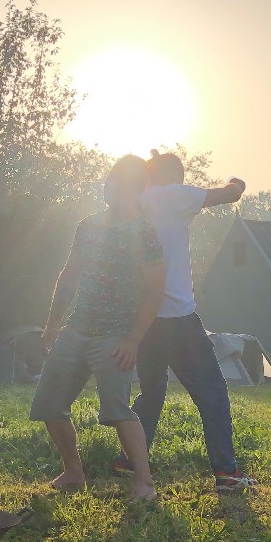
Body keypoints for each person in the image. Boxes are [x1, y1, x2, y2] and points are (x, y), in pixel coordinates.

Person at [111, 150, 256, 493]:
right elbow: (231, 194)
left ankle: (128, 460)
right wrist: (239, 181)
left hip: (142, 320)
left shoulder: (138, 201)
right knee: (213, 394)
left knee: (151, 393)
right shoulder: (176, 194)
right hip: (176, 317)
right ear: (174, 174)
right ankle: (226, 473)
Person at [31, 154, 166, 500]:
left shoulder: (146, 234)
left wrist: (134, 339)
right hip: (76, 329)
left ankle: (145, 483)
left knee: (116, 409)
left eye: (120, 182)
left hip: (116, 336)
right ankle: (74, 472)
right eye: (110, 180)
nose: (111, 187)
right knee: (49, 403)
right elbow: (69, 277)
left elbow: (155, 291)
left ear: (135, 190)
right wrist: (52, 326)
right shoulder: (88, 226)